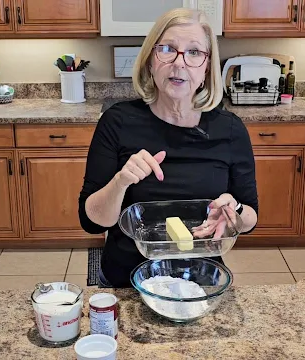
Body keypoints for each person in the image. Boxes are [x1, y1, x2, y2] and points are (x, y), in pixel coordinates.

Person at [78, 8, 258, 288]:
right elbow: (92, 221)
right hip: (126, 283)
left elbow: (250, 217)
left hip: (201, 281)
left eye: (194, 52)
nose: (179, 63)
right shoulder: (118, 122)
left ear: (207, 67)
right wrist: (121, 180)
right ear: (151, 60)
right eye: (167, 49)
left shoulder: (230, 130)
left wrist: (233, 209)